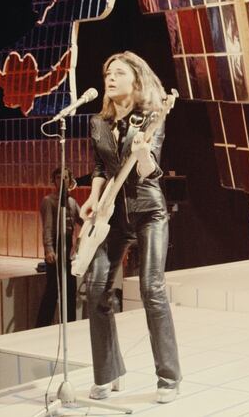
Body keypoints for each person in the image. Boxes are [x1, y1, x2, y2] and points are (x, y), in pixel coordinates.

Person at [80, 51, 181, 403]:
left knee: (152, 290)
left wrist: (140, 153)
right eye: (108, 72)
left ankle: (168, 378)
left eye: (119, 73)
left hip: (148, 210)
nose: (110, 78)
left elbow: (149, 172)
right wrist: (94, 197)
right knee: (95, 291)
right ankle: (107, 374)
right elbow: (99, 167)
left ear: (136, 81)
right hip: (112, 215)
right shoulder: (98, 122)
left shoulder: (152, 116)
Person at [36, 167, 82, 327]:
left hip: (68, 248)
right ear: (53, 180)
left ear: (70, 180)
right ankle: (41, 326)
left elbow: (82, 220)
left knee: (70, 290)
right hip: (56, 247)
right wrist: (49, 249)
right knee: (52, 290)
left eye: (66, 178)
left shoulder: (71, 202)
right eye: (58, 177)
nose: (62, 181)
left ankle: (70, 325)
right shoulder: (49, 201)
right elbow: (47, 227)